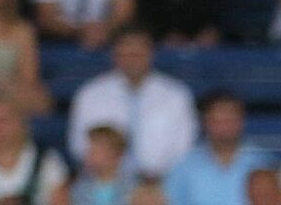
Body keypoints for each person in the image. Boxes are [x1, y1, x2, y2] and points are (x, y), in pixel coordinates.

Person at [65, 27, 195, 178]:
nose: (132, 60)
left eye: (137, 54)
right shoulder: (90, 95)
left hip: (161, 186)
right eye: (126, 54)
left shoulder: (176, 95)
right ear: (114, 55)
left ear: (151, 54)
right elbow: (79, 145)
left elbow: (184, 149)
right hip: (103, 183)